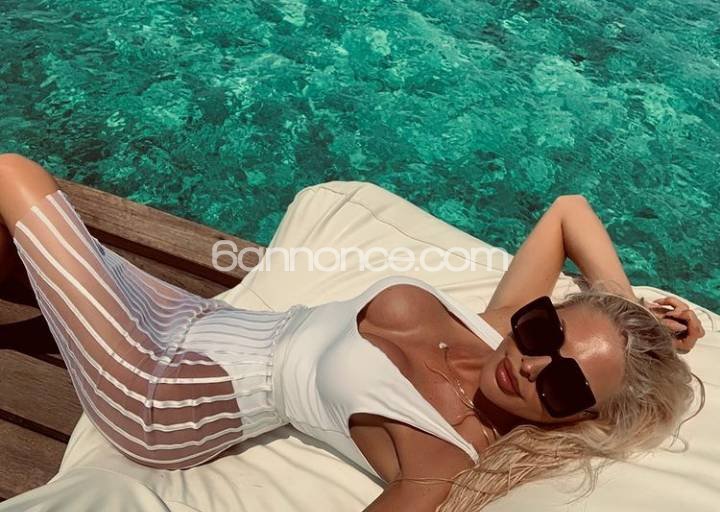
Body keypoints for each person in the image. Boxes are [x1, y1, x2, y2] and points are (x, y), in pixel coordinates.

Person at [0, 153, 706, 512]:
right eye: (544, 331)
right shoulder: (496, 330)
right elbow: (568, 212)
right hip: (201, 317)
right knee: (20, 247)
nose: (531, 365)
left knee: (15, 177)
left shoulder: (441, 456)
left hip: (166, 398)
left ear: (579, 417)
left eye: (565, 384)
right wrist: (626, 311)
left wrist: (613, 350)